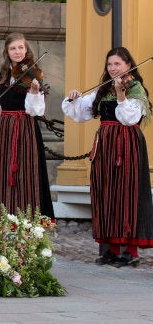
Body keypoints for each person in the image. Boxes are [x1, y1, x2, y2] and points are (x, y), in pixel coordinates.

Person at [63, 47, 153, 267]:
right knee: (106, 194)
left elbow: (130, 118)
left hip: (127, 146)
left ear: (128, 65)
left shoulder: (135, 89)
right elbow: (83, 113)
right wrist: (74, 98)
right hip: (104, 146)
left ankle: (130, 252)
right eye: (110, 64)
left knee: (127, 195)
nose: (113, 68)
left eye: (117, 64)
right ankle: (111, 249)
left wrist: (121, 95)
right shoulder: (103, 89)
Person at [0, 33, 54, 218]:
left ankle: (28, 220)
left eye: (21, 48)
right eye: (13, 48)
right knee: (3, 173)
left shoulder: (34, 75)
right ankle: (3, 218)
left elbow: (36, 111)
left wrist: (33, 92)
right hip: (6, 130)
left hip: (27, 130)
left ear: (26, 49)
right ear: (7, 52)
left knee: (27, 175)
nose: (17, 52)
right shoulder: (1, 77)